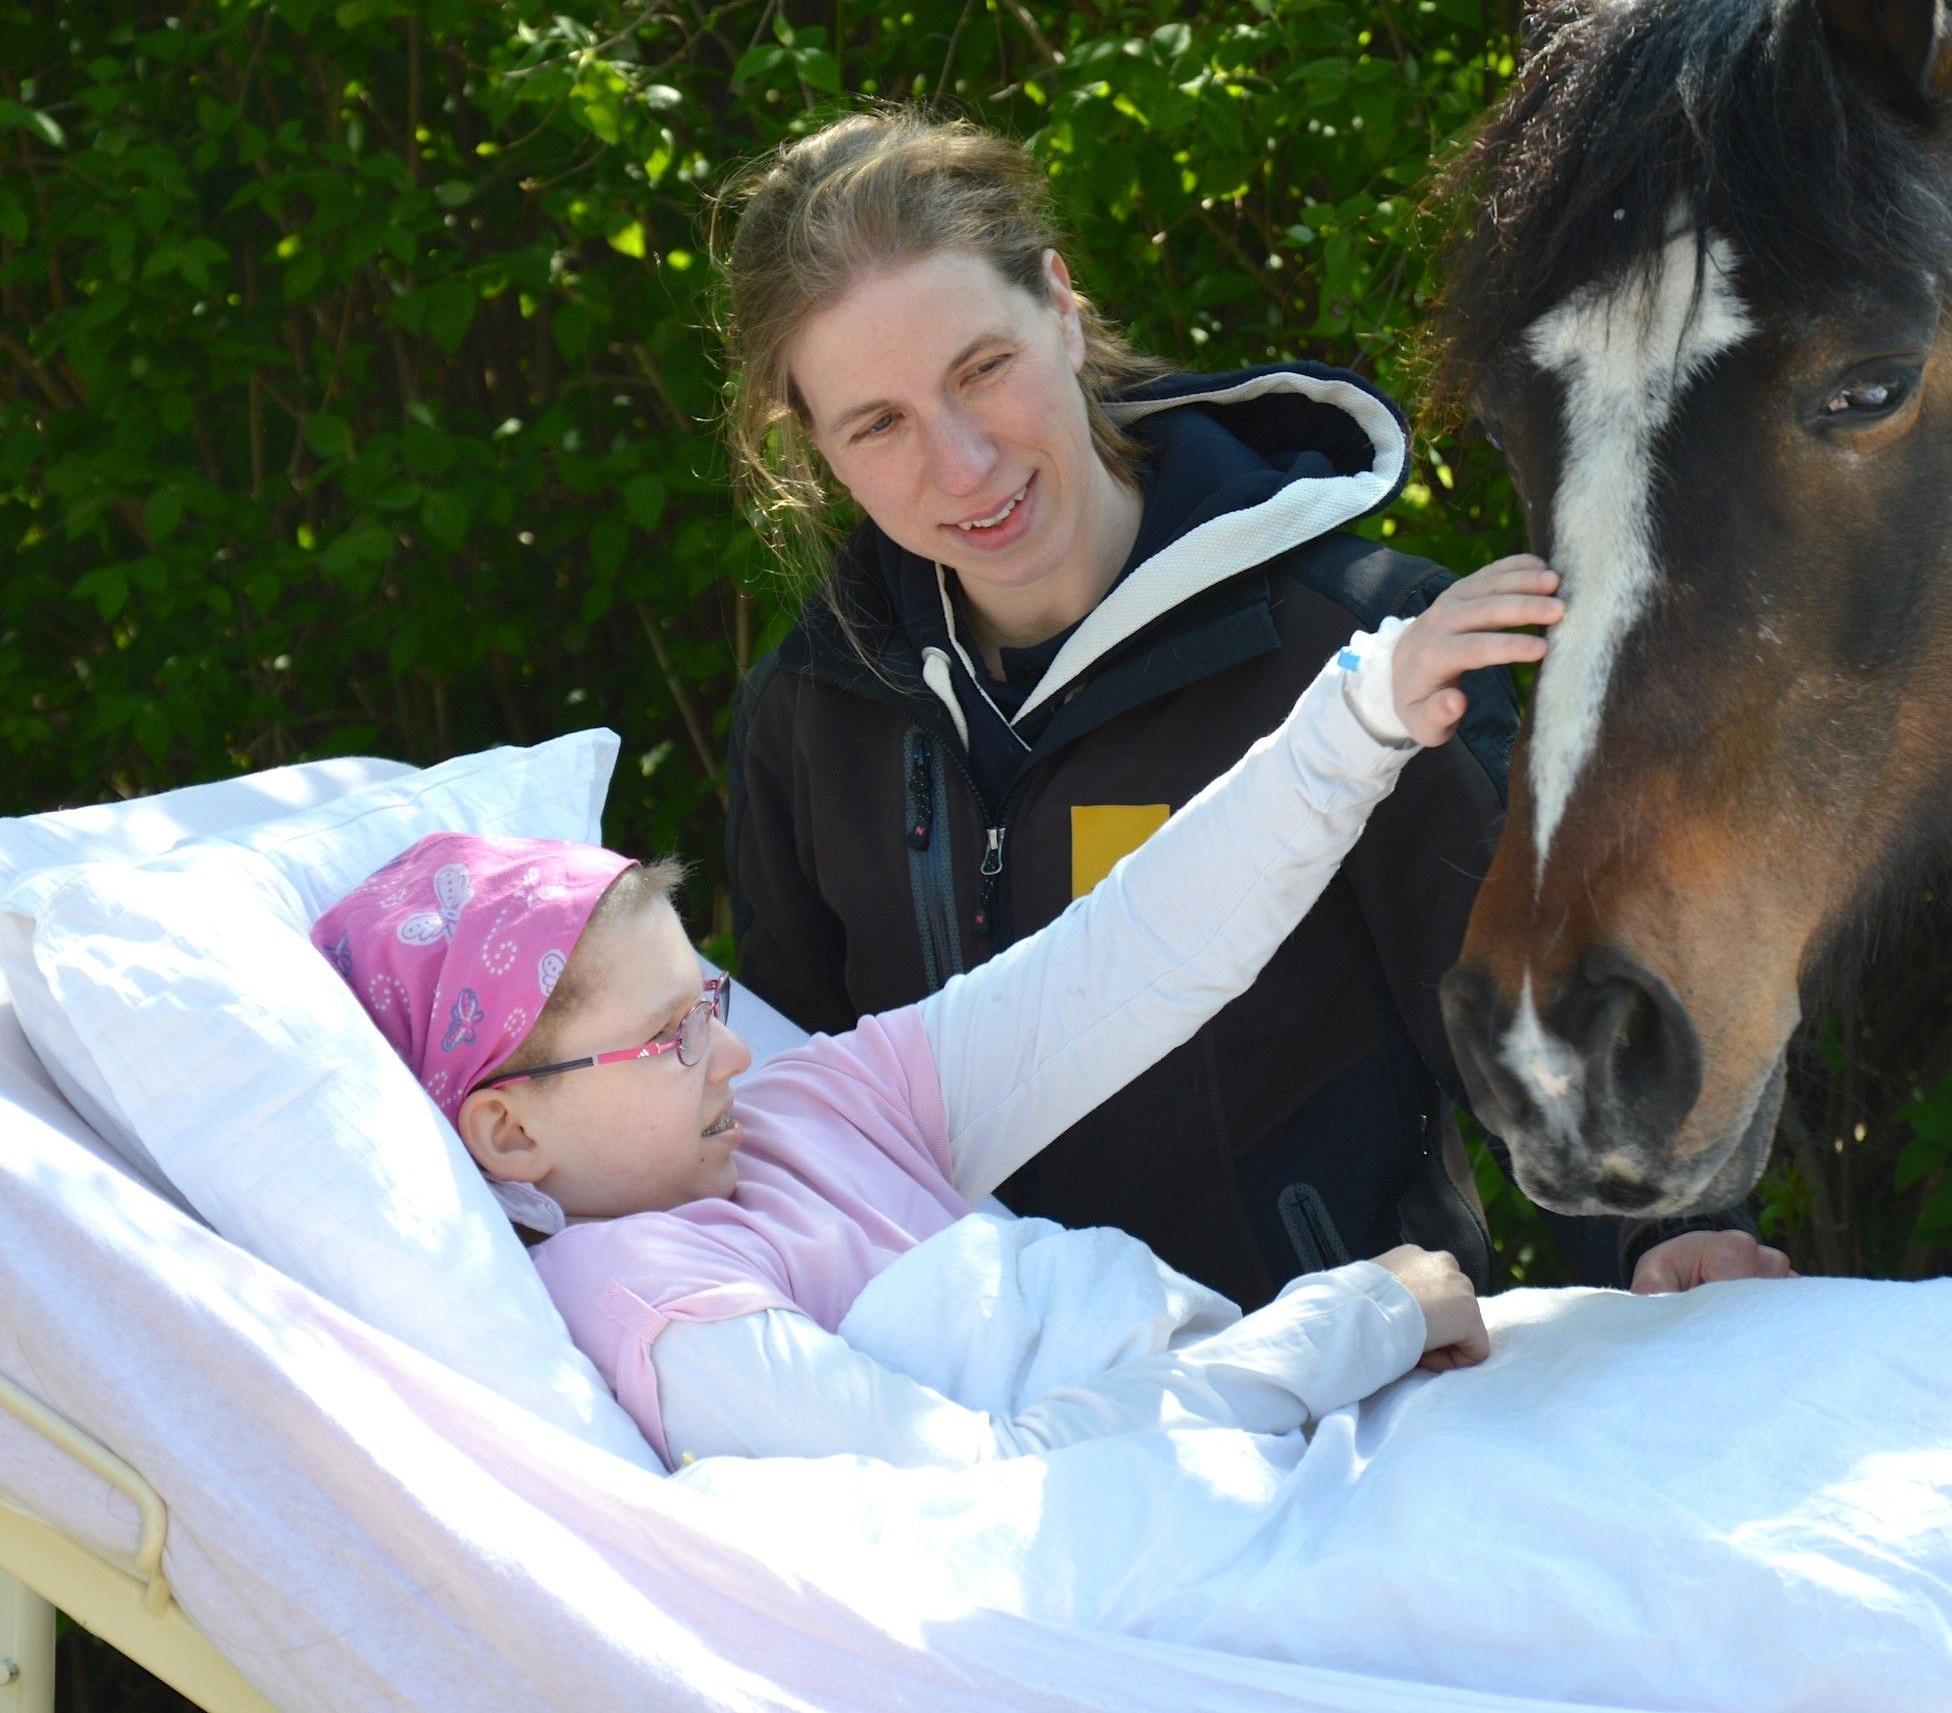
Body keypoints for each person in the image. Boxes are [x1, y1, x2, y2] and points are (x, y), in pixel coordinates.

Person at [315, 564, 1786, 1467]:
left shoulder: (804, 1109)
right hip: (1255, 1517)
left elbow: (1127, 957)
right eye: (670, 1034)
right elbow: (989, 1484)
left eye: (706, 995)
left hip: (1324, 1437)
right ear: (504, 1124)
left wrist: (1360, 715)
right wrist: (1347, 1321)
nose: (732, 1043)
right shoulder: (653, 1301)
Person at [713, 107, 1770, 1303]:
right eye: (880, 424)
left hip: (1337, 1420)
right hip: (984, 1439)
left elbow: (1534, 1002)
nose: (961, 463)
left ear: (1060, 306)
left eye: (983, 368)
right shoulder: (812, 716)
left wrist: (1663, 1231)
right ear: (818, 447)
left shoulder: (1357, 646)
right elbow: (787, 1132)